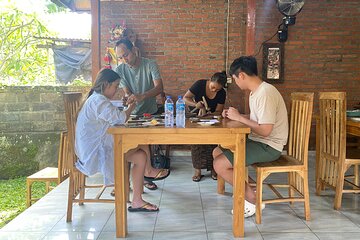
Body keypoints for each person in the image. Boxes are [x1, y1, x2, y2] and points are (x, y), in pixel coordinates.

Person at [75, 68, 169, 212]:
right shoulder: (98, 100)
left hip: (98, 146)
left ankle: (138, 199)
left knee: (140, 155)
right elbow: (120, 118)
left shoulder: (97, 98)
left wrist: (127, 106)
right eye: (115, 86)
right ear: (106, 84)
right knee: (140, 144)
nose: (117, 89)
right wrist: (132, 105)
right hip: (95, 152)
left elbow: (113, 117)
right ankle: (149, 172)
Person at [212, 56, 288, 217]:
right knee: (217, 152)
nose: (236, 83)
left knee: (219, 165)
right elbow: (258, 119)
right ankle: (247, 187)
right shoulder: (257, 92)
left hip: (269, 145)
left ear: (241, 76)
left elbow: (266, 130)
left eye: (234, 79)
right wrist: (236, 115)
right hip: (260, 141)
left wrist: (239, 118)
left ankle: (252, 198)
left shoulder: (265, 93)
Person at [183, 71, 227, 182]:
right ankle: (197, 171)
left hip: (211, 121)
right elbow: (185, 98)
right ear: (210, 81)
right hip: (196, 118)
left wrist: (209, 114)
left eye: (217, 89)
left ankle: (213, 169)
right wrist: (195, 105)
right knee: (196, 143)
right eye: (213, 87)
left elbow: (218, 111)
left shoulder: (222, 93)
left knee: (212, 143)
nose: (214, 90)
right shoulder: (199, 85)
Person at [115, 39, 164, 115]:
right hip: (131, 113)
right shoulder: (119, 70)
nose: (125, 60)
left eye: (126, 55)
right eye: (120, 58)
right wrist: (127, 99)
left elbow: (159, 88)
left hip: (150, 113)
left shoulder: (150, 64)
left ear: (134, 50)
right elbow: (127, 92)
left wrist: (142, 96)